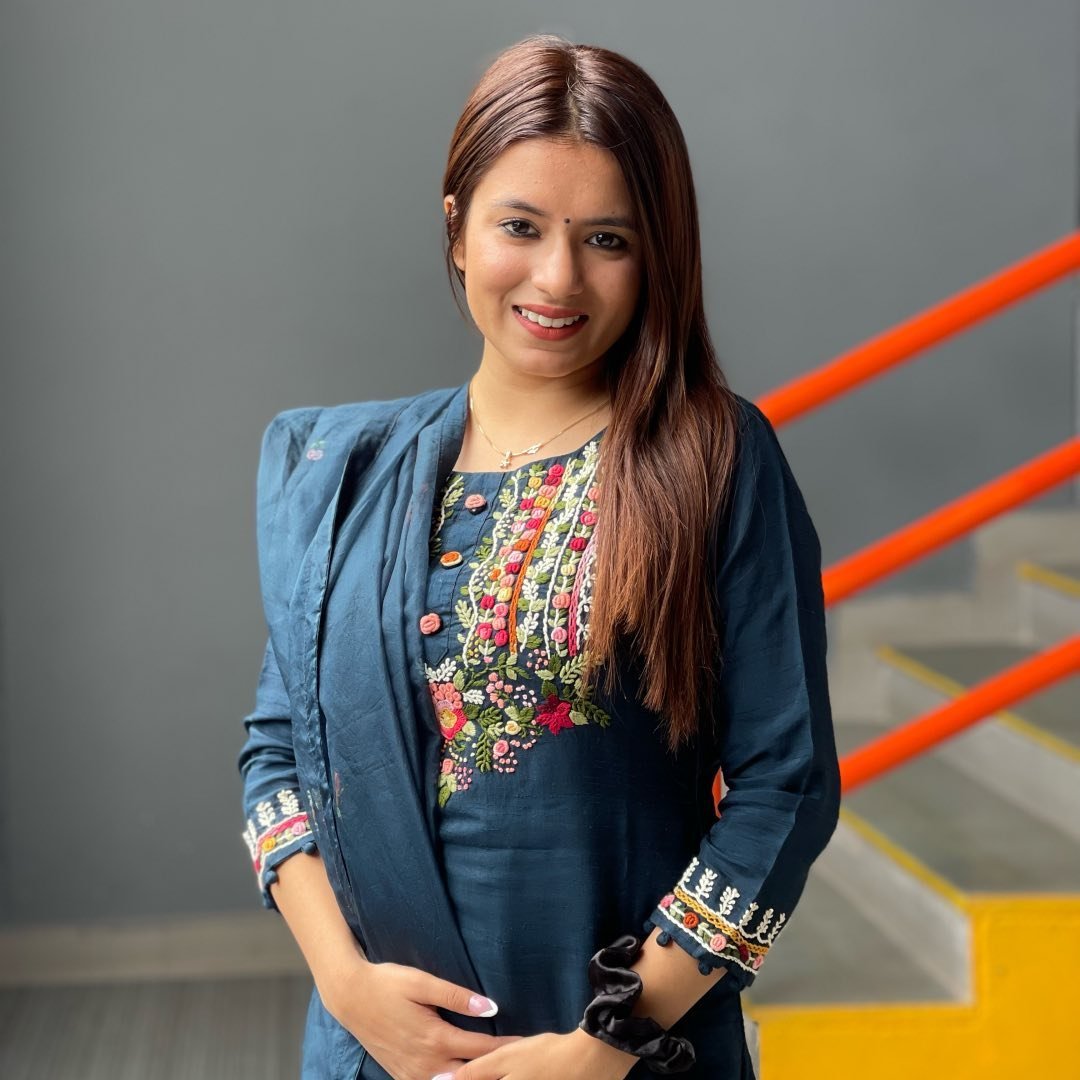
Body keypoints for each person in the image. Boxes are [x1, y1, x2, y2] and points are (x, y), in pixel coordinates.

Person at [238, 33, 840, 1080]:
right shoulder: (345, 474)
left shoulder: (711, 458)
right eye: (520, 227)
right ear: (457, 230)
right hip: (375, 1052)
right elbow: (278, 753)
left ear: (656, 254)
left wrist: (612, 1038)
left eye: (607, 239)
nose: (558, 278)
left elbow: (785, 788)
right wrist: (345, 984)